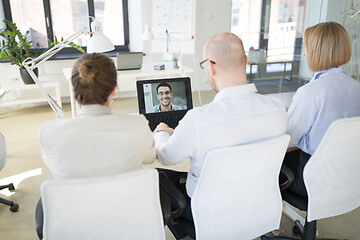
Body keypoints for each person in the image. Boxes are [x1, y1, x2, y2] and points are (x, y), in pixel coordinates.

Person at [153, 32, 287, 239]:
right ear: (246, 61)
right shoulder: (277, 109)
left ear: (211, 67)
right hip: (259, 205)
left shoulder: (198, 119)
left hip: (210, 214)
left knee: (160, 180)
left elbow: (166, 157)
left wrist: (162, 133)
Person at [39, 53, 156, 179]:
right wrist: (160, 133)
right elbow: (150, 157)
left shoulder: (48, 132)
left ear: (75, 88)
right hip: (125, 197)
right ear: (114, 90)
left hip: (75, 198)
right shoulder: (137, 124)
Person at [283, 22, 360, 198]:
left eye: (307, 48)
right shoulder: (357, 88)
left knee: (271, 163)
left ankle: (272, 219)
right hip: (350, 176)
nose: (304, 53)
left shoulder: (311, 92)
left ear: (318, 52)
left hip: (311, 181)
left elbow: (289, 137)